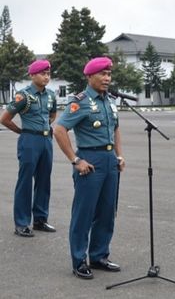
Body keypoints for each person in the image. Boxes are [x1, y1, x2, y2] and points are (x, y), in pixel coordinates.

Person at [54, 57, 125, 279]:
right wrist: (75, 160)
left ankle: (99, 255)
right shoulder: (80, 101)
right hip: (90, 161)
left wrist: (119, 155)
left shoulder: (110, 101)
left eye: (109, 74)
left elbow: (116, 129)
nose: (107, 78)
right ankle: (78, 260)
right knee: (84, 213)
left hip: (109, 160)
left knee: (107, 212)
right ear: (89, 76)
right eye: (102, 74)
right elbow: (59, 129)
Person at [0, 60, 57, 237]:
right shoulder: (23, 96)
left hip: (46, 140)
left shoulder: (51, 95)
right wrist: (22, 131)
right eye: (42, 73)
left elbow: (53, 113)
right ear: (32, 75)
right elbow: (5, 118)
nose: (46, 77)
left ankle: (40, 219)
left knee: (44, 180)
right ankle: (22, 223)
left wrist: (45, 126)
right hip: (29, 140)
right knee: (25, 181)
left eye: (48, 74)